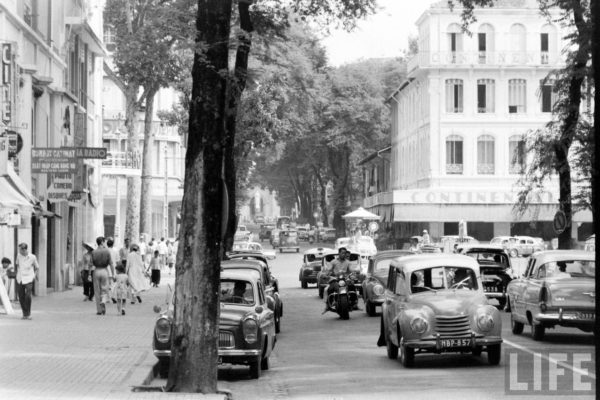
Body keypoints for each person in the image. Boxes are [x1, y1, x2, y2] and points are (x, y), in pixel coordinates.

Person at [323, 247, 354, 312]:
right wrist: (326, 274)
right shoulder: (333, 262)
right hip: (335, 279)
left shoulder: (348, 262)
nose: (344, 254)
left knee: (352, 286)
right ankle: (328, 304)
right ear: (339, 253)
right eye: (342, 253)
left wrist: (354, 273)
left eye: (345, 253)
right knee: (329, 289)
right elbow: (329, 269)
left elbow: (351, 270)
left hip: (345, 279)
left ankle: (354, 302)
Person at [15, 243, 39, 320]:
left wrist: (34, 276)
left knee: (28, 295)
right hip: (20, 278)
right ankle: (25, 314)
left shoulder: (32, 257)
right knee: (21, 296)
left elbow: (37, 267)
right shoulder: (18, 256)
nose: (19, 251)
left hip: (29, 278)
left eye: (20, 250)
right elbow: (17, 265)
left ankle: (28, 313)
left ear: (24, 249)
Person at [91, 236, 114, 315]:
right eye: (104, 242)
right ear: (101, 242)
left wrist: (89, 275)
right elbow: (111, 263)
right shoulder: (107, 251)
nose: (105, 243)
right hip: (104, 270)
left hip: (96, 270)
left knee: (97, 290)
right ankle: (103, 301)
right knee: (104, 288)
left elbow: (91, 264)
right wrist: (113, 273)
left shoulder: (94, 252)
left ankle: (99, 310)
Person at [106, 238, 119, 304]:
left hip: (106, 270)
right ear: (112, 244)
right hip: (113, 269)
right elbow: (117, 261)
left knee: (106, 284)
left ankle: (108, 298)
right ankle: (113, 295)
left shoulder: (105, 251)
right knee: (114, 284)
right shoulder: (115, 251)